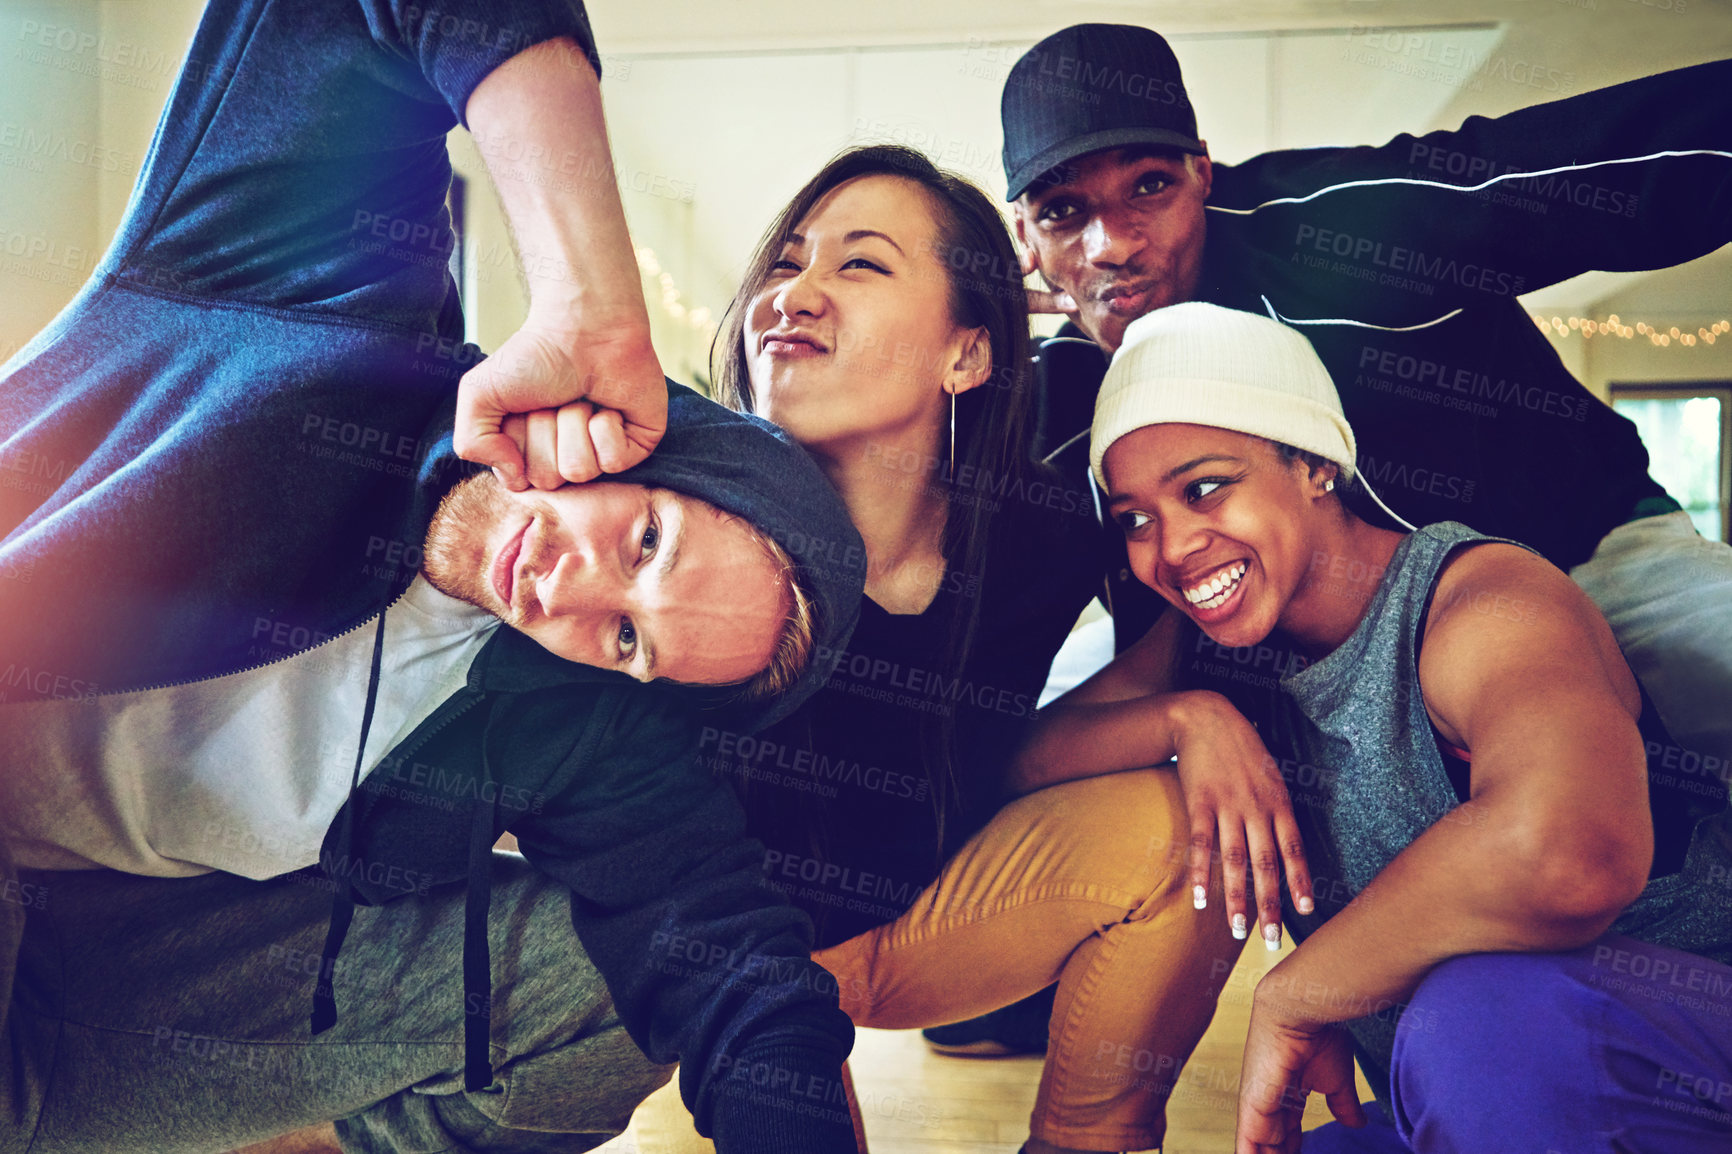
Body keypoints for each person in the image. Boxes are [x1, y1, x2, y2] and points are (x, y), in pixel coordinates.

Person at [0, 1, 873, 1150]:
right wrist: (584, 293)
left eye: (631, 639)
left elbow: (729, 960)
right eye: (646, 540)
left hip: (103, 988)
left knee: (606, 994)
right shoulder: (326, 302)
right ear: (649, 436)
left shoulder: (575, 709)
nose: (571, 597)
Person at [634, 144, 1296, 1154]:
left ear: (968, 354)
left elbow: (1013, 737)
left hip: (922, 921)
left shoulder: (1039, 530)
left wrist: (1187, 717)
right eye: (785, 262)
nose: (793, 295)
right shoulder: (679, 529)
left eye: (857, 265)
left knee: (1182, 827)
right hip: (719, 963)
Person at [1051, 300, 1732, 1154]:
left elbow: (1571, 851)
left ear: (1313, 466)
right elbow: (1011, 758)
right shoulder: (1211, 654)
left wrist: (1301, 990)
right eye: (1135, 519)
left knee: (1476, 1019)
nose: (1174, 544)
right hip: (1483, 1098)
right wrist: (1188, 720)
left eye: (1205, 487)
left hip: (1669, 1057)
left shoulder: (1478, 604)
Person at [999, 24, 1732, 772]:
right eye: (1063, 212)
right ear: (1022, 234)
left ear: (1204, 175)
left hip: (1585, 546)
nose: (1112, 245)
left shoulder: (1333, 234)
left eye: (1149, 185)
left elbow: (1595, 172)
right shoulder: (1043, 404)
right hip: (1333, 673)